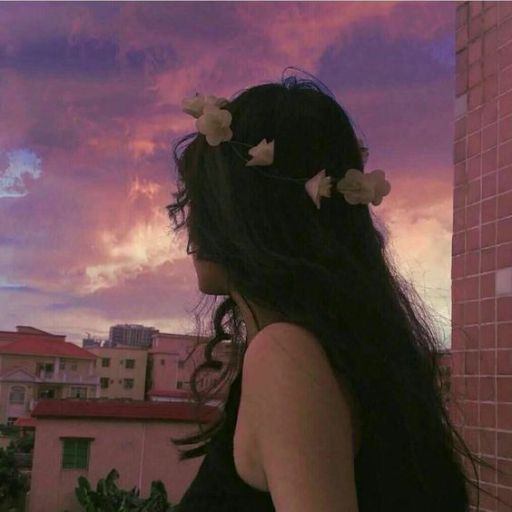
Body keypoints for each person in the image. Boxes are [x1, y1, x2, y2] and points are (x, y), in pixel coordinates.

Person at [166, 66, 502, 512]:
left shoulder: (285, 355)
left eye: (201, 199)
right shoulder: (351, 354)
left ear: (244, 213)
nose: (188, 221)